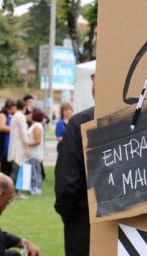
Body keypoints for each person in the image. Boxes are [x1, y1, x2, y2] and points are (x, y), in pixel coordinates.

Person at [54, 73, 95, 256]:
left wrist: (68, 213)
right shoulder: (80, 122)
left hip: (83, 219)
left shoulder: (80, 122)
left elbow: (66, 182)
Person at [8, 99, 29, 199]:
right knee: (16, 172)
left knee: (16, 171)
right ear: (24, 107)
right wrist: (27, 147)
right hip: (18, 148)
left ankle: (18, 193)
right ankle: (7, 192)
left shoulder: (15, 116)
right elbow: (23, 133)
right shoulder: (20, 116)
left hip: (15, 147)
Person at [0, 99, 17, 176]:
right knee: (5, 166)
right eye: (14, 107)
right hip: (4, 142)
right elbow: (1, 127)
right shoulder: (2, 114)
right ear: (10, 107)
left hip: (12, 143)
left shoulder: (13, 114)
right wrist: (15, 129)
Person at [28, 108, 45, 195]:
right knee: (34, 171)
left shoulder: (37, 126)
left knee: (35, 172)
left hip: (34, 154)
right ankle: (34, 187)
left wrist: (27, 145)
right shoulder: (35, 125)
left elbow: (37, 141)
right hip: (32, 154)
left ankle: (36, 188)